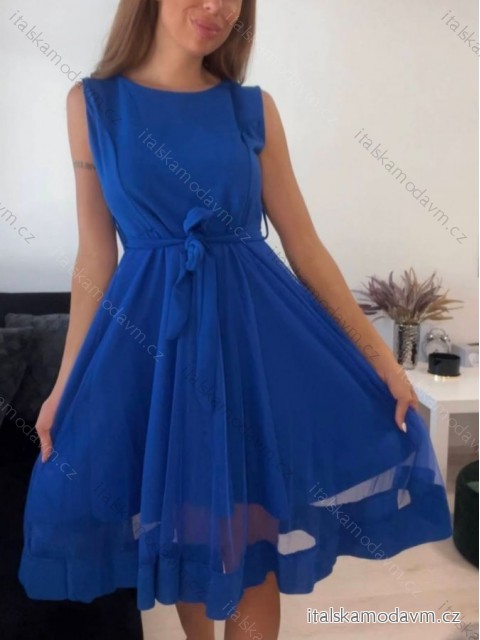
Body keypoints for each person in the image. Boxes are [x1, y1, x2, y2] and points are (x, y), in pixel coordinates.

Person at [18, 1, 453, 639]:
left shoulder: (251, 110)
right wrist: (66, 385)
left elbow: (305, 247)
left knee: (251, 544)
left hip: (251, 343)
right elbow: (95, 256)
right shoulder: (91, 105)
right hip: (157, 349)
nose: (218, 7)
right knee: (190, 534)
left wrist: (382, 362)